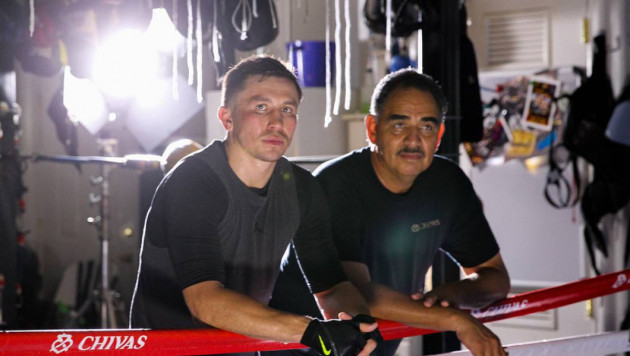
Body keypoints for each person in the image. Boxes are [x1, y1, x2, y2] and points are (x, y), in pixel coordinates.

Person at [129, 55, 381, 356]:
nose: (276, 122)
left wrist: (357, 322)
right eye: (261, 107)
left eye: (287, 110)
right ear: (227, 118)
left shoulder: (301, 189)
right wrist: (313, 332)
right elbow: (205, 301)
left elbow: (331, 286)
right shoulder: (194, 182)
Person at [269, 68, 510, 356]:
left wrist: (450, 295)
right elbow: (358, 293)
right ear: (372, 129)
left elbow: (495, 277)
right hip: (297, 349)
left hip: (372, 348)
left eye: (427, 127)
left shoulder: (448, 184)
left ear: (439, 135)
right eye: (399, 125)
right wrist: (456, 319)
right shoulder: (335, 185)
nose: (413, 140)